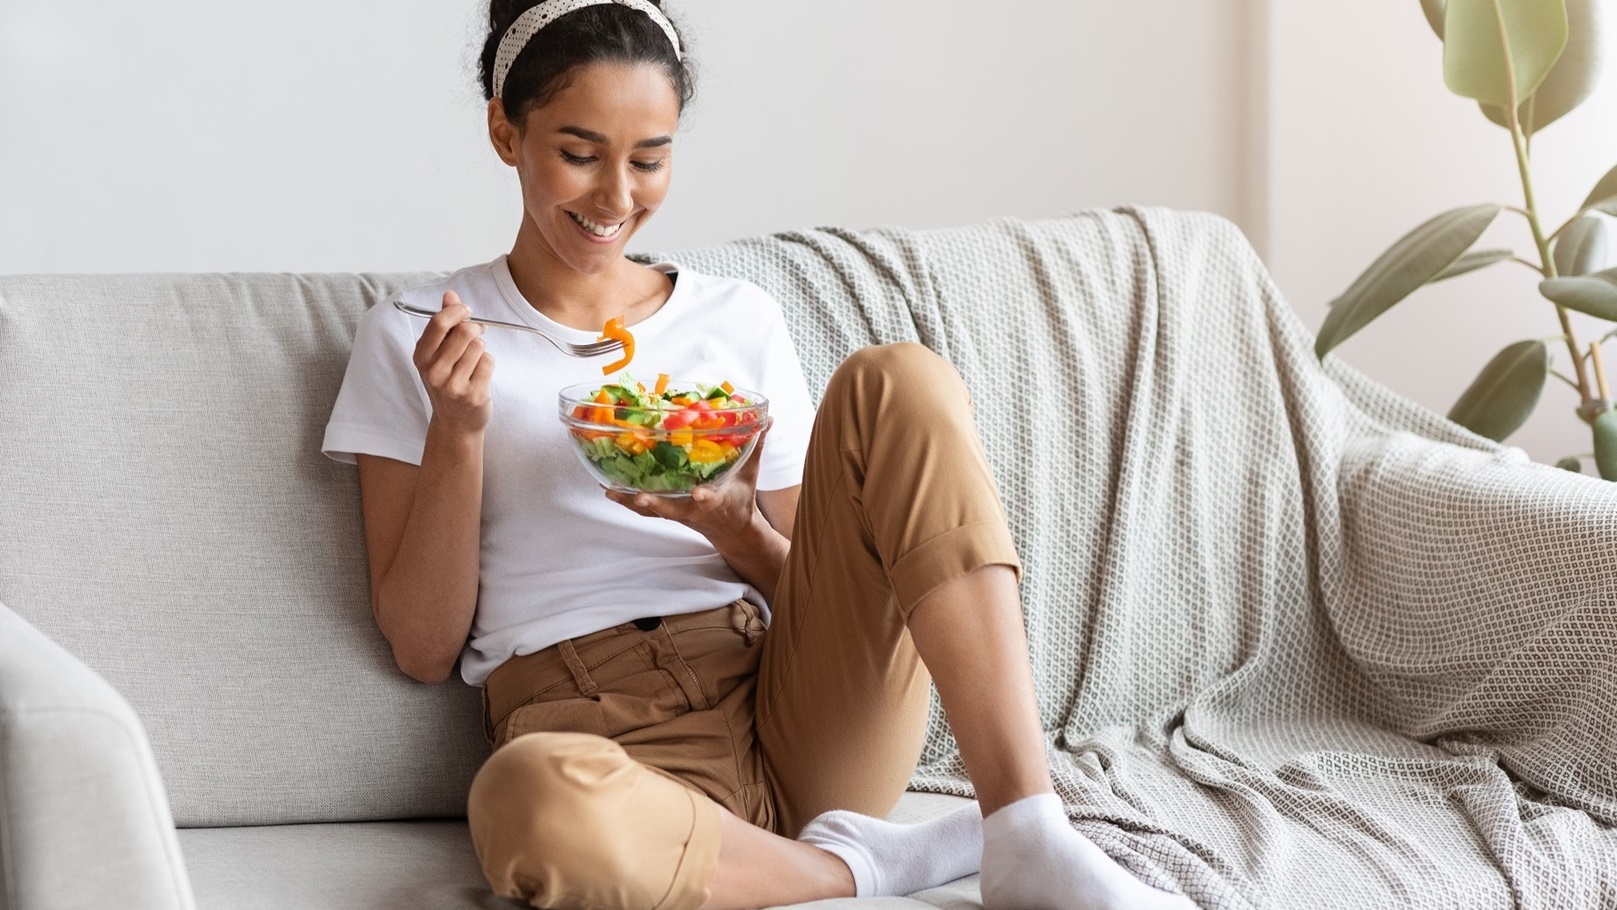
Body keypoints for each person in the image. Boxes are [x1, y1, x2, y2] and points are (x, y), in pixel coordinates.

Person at [322, 2, 1195, 909]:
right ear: (507, 131)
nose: (616, 199)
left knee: (900, 377)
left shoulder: (734, 317)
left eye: (648, 160)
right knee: (523, 799)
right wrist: (460, 430)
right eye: (580, 154)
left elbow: (831, 594)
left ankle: (1025, 826)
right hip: (595, 735)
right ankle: (873, 865)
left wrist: (734, 529)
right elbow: (423, 648)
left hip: (794, 706)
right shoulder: (419, 333)